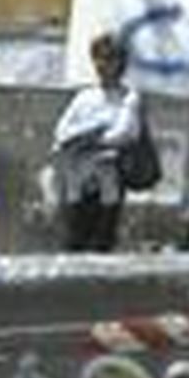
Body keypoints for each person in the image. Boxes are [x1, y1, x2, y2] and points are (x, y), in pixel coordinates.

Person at [51, 30, 143, 251]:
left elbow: (124, 134)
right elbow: (62, 132)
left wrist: (87, 142)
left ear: (121, 63)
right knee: (73, 242)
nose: (103, 65)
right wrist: (92, 134)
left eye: (110, 58)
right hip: (76, 184)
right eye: (99, 58)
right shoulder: (84, 97)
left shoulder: (128, 98)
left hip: (107, 187)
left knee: (101, 243)